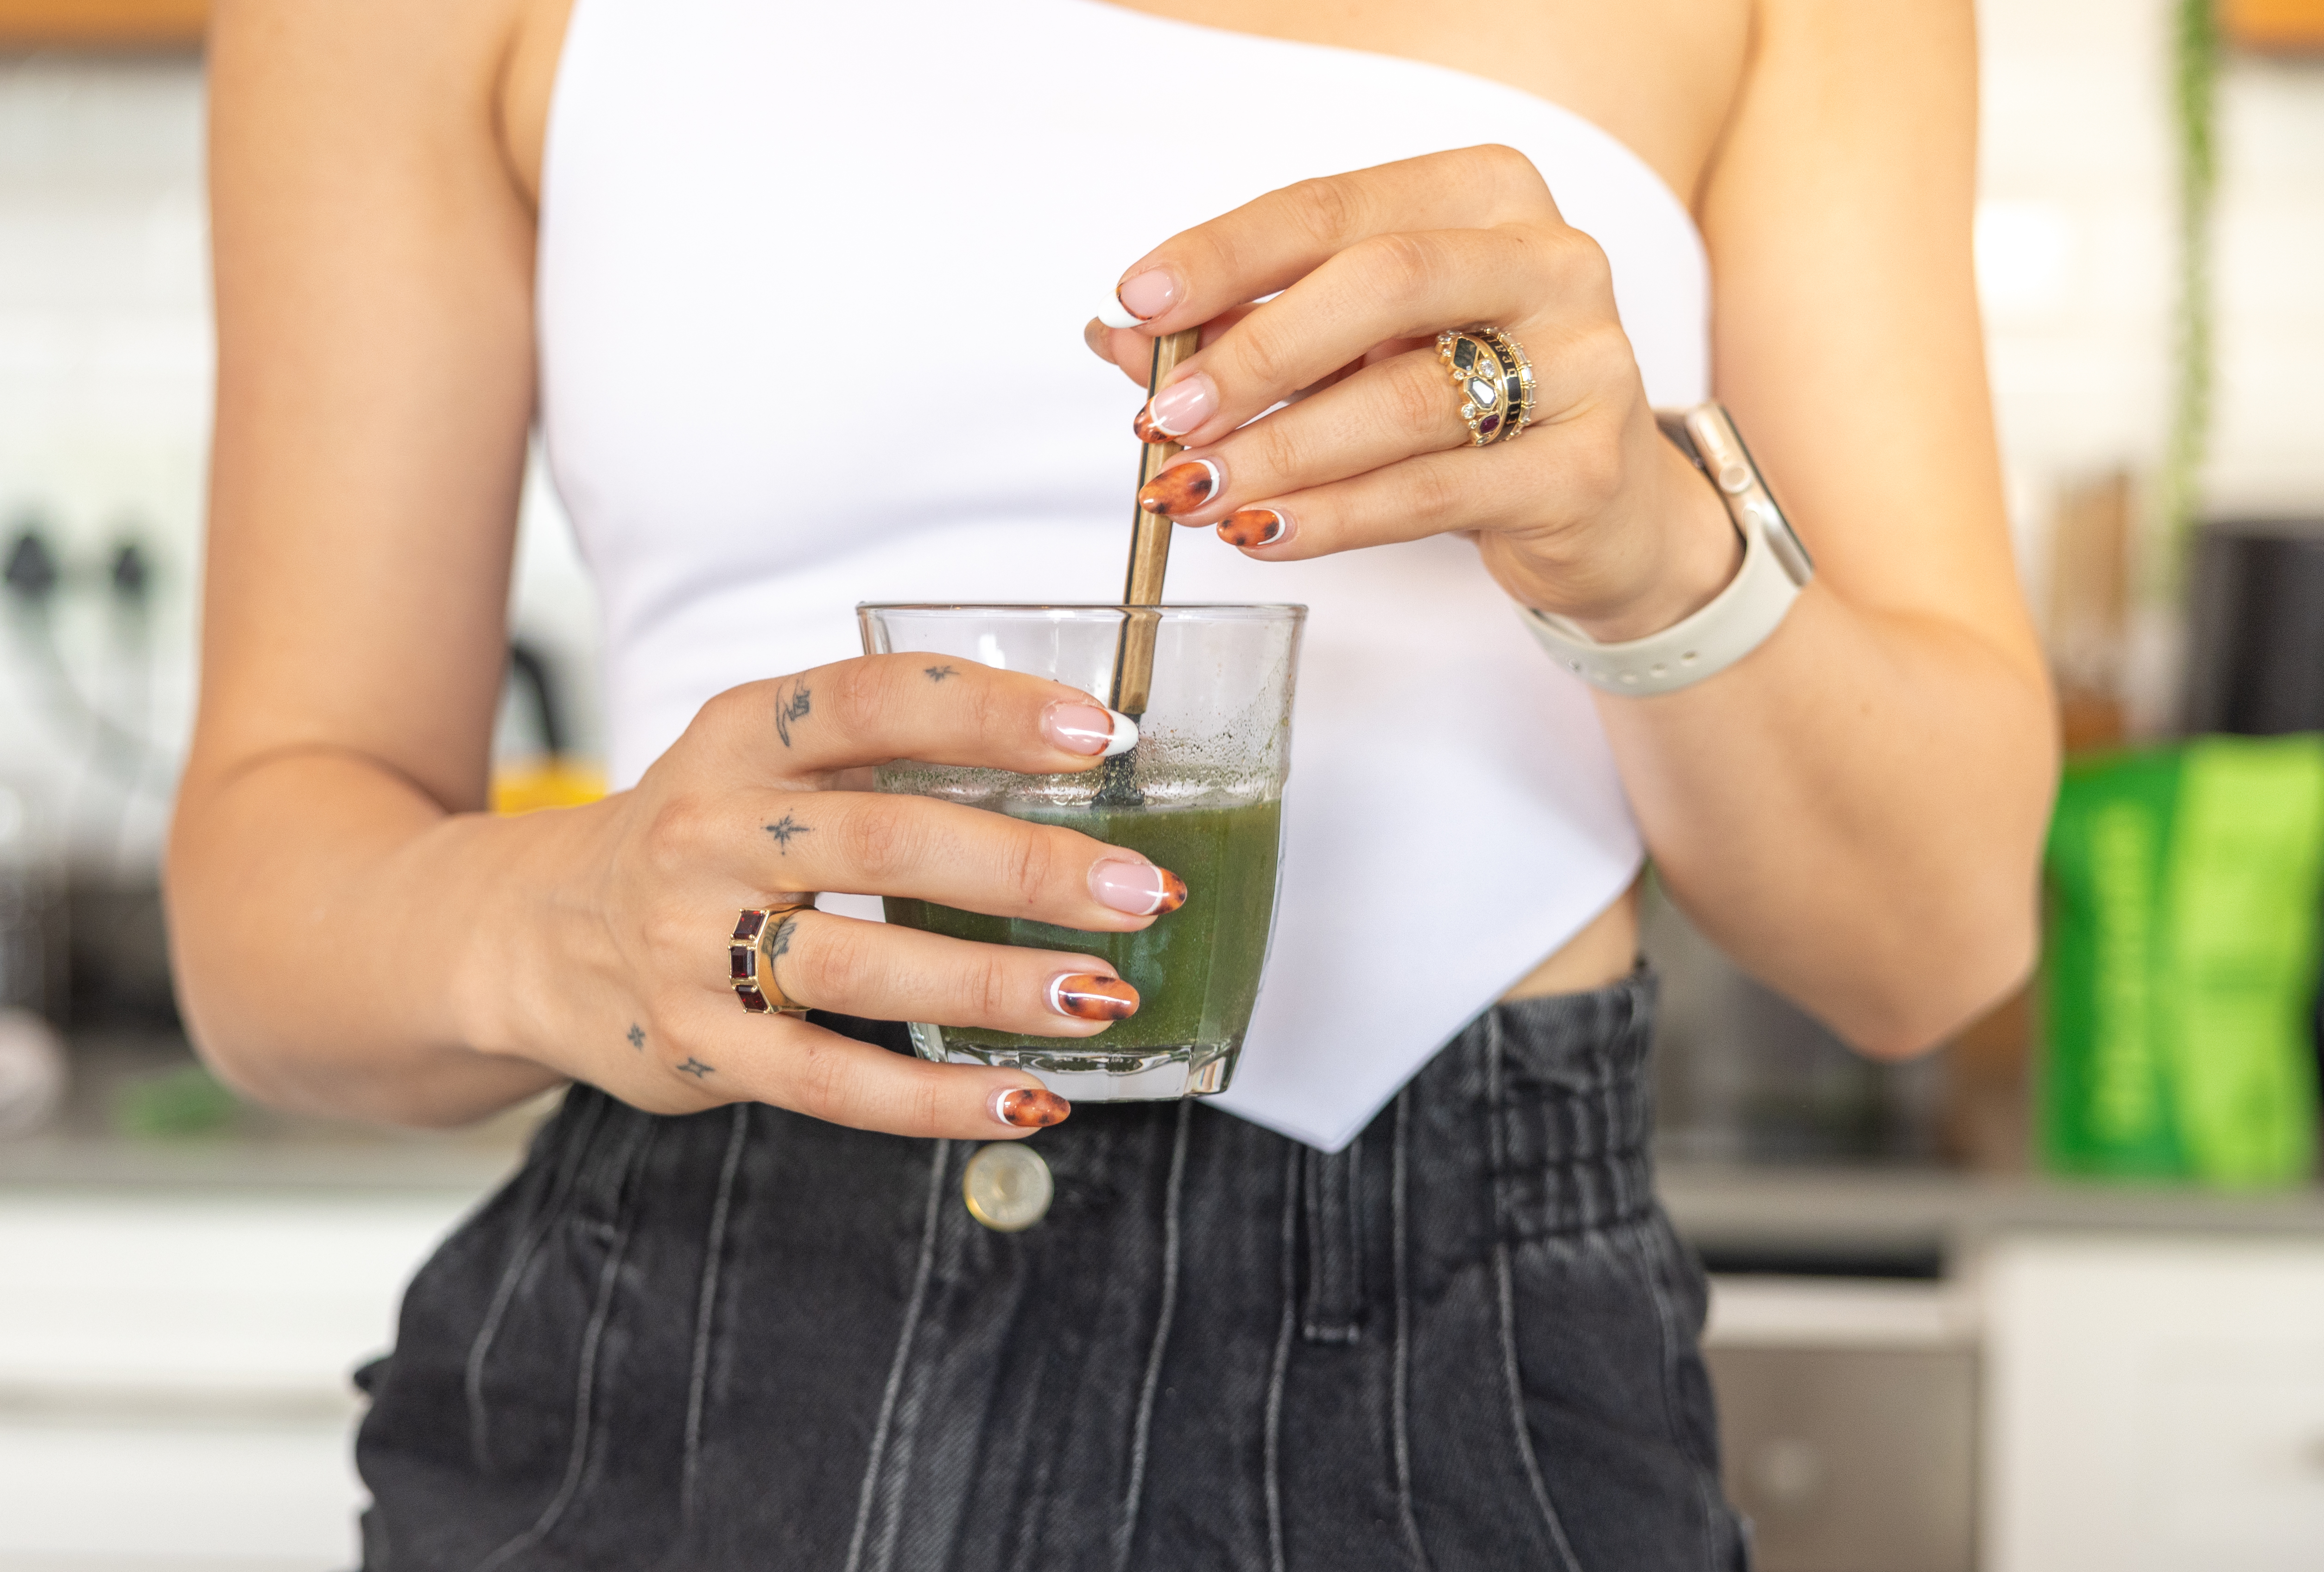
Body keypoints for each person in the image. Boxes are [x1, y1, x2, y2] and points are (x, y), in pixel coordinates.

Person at [171, 0, 2054, 1566]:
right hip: (695, 1352)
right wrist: (570, 919)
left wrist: (1647, 545)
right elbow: (263, 921)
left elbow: (1930, 938)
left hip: (1458, 1359)